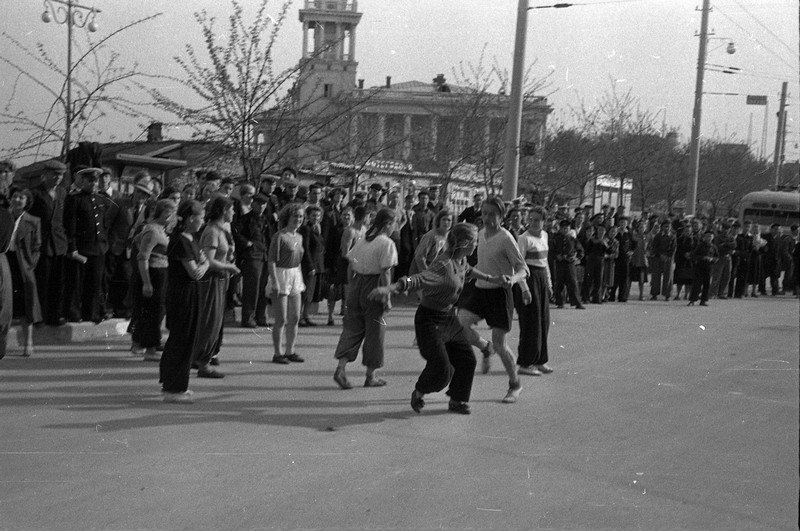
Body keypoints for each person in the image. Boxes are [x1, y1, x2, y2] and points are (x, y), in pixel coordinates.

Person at [369, 223, 501, 414]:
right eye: (475, 242)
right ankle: (419, 391)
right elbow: (419, 279)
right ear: (464, 243)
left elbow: (468, 270)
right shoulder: (443, 265)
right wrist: (390, 288)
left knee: (467, 360)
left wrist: (490, 278)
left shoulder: (460, 259)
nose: (476, 245)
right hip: (429, 320)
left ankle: (457, 400)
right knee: (442, 369)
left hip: (448, 317)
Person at [457, 195, 528, 404]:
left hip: (500, 294)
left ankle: (515, 384)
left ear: (501, 216)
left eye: (492, 214)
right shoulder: (480, 234)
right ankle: (483, 347)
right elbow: (482, 262)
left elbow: (523, 268)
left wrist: (514, 280)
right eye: (485, 213)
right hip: (480, 290)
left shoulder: (506, 238)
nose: (487, 218)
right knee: (460, 323)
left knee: (500, 344)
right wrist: (470, 272)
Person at [332, 208, 398, 389]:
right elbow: (386, 271)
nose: (394, 228)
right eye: (394, 224)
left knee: (352, 329)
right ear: (387, 224)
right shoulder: (387, 243)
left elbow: (350, 265)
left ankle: (341, 367)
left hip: (357, 284)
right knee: (375, 332)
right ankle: (371, 376)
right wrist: (387, 296)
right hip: (374, 286)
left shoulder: (363, 240)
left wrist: (351, 287)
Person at [159, 200, 210, 403]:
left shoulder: (192, 238)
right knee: (181, 339)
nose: (203, 221)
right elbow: (196, 272)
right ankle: (173, 388)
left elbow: (201, 262)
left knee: (188, 339)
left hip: (191, 293)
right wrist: (205, 264)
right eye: (201, 217)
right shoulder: (180, 240)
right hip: (182, 294)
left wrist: (204, 262)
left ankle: (179, 385)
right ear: (191, 218)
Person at [195, 196, 240, 378]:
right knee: (210, 322)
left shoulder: (221, 230)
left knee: (214, 322)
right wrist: (229, 267)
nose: (234, 212)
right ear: (224, 211)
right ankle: (203, 363)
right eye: (231, 209)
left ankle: (200, 359)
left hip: (221, 281)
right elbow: (209, 260)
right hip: (211, 281)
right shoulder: (212, 231)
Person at [62, 167, 110, 323]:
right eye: (90, 180)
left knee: (95, 283)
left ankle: (92, 313)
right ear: (82, 181)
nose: (94, 184)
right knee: (77, 283)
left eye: (96, 181)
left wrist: (104, 244)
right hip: (81, 249)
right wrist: (73, 248)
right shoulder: (74, 199)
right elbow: (70, 227)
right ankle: (74, 313)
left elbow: (103, 225)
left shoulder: (101, 200)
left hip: (98, 248)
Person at [131, 199, 175, 361]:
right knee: (153, 312)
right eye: (167, 213)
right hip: (154, 273)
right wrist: (147, 282)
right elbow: (142, 257)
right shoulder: (153, 231)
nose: (170, 216)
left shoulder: (162, 230)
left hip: (162, 272)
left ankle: (143, 343)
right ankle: (150, 348)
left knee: (156, 311)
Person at [266, 203, 307, 364]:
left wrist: (300, 277)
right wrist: (275, 282)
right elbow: (271, 261)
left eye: (301, 216)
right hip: (281, 275)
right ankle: (278, 353)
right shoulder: (279, 236)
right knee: (281, 318)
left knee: (295, 316)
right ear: (287, 218)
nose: (298, 219)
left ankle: (290, 350)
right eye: (295, 216)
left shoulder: (299, 237)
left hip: (295, 274)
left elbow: (299, 260)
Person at [28, 160, 68, 326]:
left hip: (58, 243)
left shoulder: (62, 192)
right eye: (55, 174)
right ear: (45, 175)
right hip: (42, 244)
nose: (58, 178)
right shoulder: (35, 193)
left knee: (57, 283)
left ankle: (54, 315)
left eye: (61, 175)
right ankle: (39, 316)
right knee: (42, 282)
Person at [515, 206, 553, 376]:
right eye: (531, 219)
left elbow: (545, 263)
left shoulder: (545, 236)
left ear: (544, 221)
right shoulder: (523, 238)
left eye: (537, 220)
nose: (533, 222)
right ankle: (525, 362)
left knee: (544, 321)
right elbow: (518, 265)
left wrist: (549, 284)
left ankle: (540, 360)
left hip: (542, 279)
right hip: (529, 279)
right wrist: (524, 288)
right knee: (531, 323)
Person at [7, 188, 42, 357]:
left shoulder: (33, 221)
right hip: (5, 262)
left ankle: (28, 343)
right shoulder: (4, 217)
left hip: (23, 266)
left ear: (27, 201)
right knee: (4, 304)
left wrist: (30, 265)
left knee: (26, 305)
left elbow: (37, 247)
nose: (17, 200)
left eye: (21, 197)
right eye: (14, 196)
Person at [236, 193, 270, 328]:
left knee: (262, 288)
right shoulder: (245, 219)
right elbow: (237, 234)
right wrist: (247, 244)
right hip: (252, 256)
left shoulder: (265, 219)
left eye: (264, 204)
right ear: (253, 204)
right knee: (252, 288)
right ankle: (248, 317)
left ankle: (260, 316)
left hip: (264, 255)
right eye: (258, 203)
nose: (261, 206)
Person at [299, 205, 325, 326]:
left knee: (310, 293)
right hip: (310, 265)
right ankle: (299, 317)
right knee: (305, 293)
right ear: (308, 216)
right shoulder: (306, 229)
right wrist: (310, 266)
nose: (316, 218)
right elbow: (306, 248)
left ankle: (306, 316)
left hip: (318, 264)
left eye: (318, 215)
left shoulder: (317, 228)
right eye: (313, 215)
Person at [552, 219, 584, 309]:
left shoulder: (573, 239)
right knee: (559, 283)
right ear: (560, 229)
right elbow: (551, 251)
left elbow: (580, 251)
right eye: (564, 228)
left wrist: (576, 258)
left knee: (573, 283)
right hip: (560, 264)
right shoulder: (556, 239)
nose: (565, 230)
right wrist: (556, 256)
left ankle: (577, 303)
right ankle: (560, 302)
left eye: (567, 228)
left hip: (570, 264)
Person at [409, 209, 452, 276]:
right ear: (439, 221)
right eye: (444, 219)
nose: (446, 222)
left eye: (449, 220)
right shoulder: (431, 235)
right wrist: (427, 274)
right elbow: (419, 257)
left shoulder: (450, 237)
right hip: (420, 273)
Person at [688, 230, 718, 306]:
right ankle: (693, 299)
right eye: (707, 236)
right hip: (700, 266)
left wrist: (712, 259)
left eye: (710, 236)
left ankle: (703, 300)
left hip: (709, 267)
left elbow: (717, 257)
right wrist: (702, 257)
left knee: (707, 284)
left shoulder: (714, 247)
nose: (709, 238)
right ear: (704, 237)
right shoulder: (700, 245)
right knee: (697, 283)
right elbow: (694, 255)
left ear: (713, 237)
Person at [648, 220, 676, 301]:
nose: (666, 228)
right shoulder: (657, 236)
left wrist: (668, 256)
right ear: (662, 227)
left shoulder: (673, 236)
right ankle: (654, 294)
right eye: (665, 226)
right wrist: (660, 255)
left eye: (668, 226)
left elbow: (674, 248)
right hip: (658, 258)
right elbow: (654, 247)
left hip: (668, 259)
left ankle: (667, 294)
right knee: (656, 276)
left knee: (668, 277)